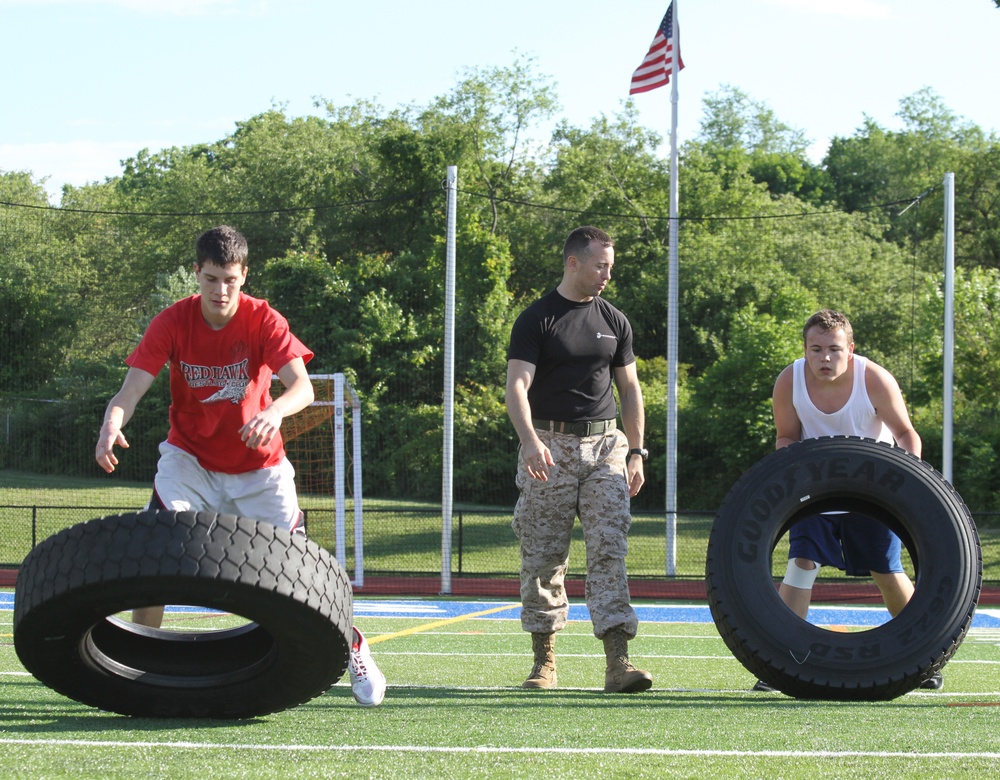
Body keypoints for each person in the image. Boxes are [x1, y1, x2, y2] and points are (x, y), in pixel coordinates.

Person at [94, 225, 386, 707]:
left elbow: (304, 388)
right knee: (160, 547)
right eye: (211, 279)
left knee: (298, 576)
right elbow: (129, 392)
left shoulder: (263, 320)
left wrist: (272, 412)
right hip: (190, 461)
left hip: (260, 470)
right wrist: (110, 424)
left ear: (244, 275)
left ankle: (353, 646)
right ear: (197, 274)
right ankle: (140, 664)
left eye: (230, 279)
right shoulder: (171, 321)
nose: (220, 290)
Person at [752, 308, 942, 692]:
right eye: (816, 349)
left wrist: (910, 483)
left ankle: (925, 659)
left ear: (850, 349)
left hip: (872, 494)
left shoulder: (874, 379)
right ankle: (780, 664)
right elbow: (786, 438)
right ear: (804, 349)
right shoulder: (789, 380)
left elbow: (906, 434)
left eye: (834, 350)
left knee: (886, 570)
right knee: (801, 564)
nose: (825, 358)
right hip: (813, 493)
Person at [505, 225, 652, 694]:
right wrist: (530, 441)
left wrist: (636, 451)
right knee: (544, 554)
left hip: (606, 447)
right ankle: (544, 662)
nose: (607, 274)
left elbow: (630, 389)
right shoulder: (537, 319)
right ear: (574, 263)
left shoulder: (615, 320)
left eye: (610, 265)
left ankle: (618, 663)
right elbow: (517, 388)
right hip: (550, 447)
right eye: (600, 265)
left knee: (610, 546)